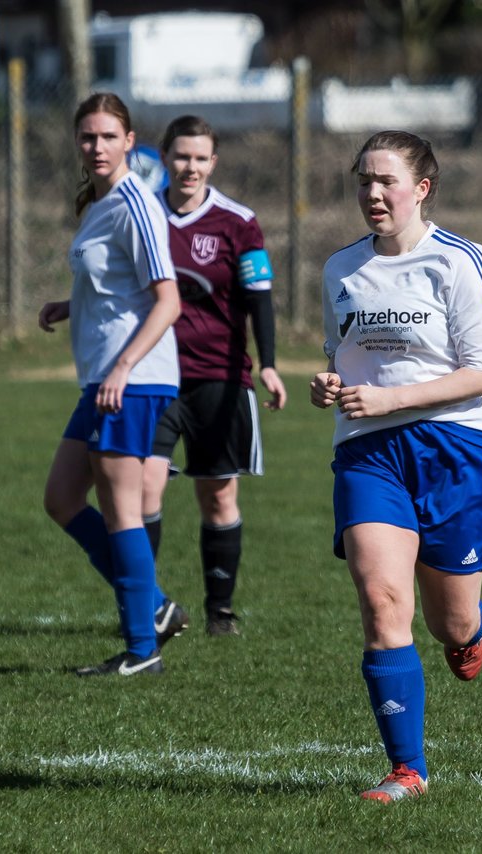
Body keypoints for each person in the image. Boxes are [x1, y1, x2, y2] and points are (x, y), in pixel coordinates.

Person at [310, 131, 482, 802]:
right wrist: (329, 384)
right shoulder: (341, 268)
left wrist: (393, 396)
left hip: (458, 448)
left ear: (421, 188)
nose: (371, 192)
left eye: (385, 181)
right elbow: (343, 359)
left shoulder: (459, 261)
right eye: (363, 180)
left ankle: (467, 634)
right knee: (381, 599)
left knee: (449, 622)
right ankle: (407, 771)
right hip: (369, 452)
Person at [39, 92, 185, 677]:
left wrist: (124, 367)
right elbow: (117, 289)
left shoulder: (136, 204)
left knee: (121, 511)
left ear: (130, 141)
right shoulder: (98, 203)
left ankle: (141, 649)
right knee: (61, 498)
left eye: (107, 137)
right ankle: (153, 607)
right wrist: (70, 305)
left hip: (132, 380)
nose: (95, 147)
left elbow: (166, 301)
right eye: (86, 137)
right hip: (104, 379)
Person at [141, 115, 287, 639]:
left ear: (214, 162)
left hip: (220, 378)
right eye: (182, 156)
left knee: (218, 497)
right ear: (164, 157)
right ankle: (146, 608)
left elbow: (259, 297)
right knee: (143, 490)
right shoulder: (143, 214)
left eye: (201, 158)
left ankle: (219, 613)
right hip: (153, 376)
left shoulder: (237, 222)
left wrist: (267, 363)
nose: (191, 167)